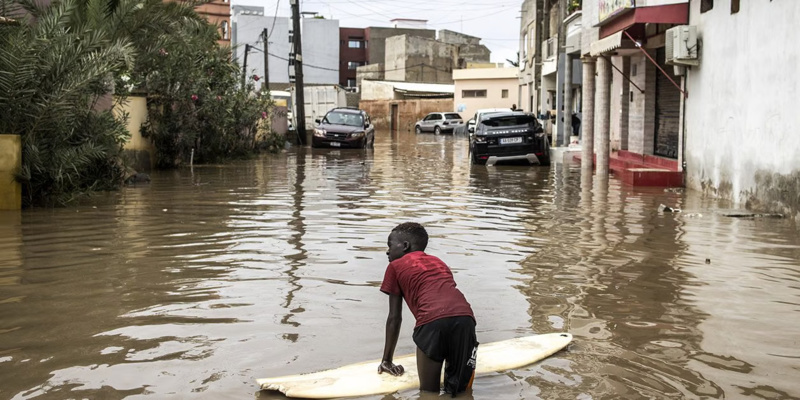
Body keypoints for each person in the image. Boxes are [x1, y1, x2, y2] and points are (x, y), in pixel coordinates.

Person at [378, 222, 478, 396]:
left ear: (405, 246)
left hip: (432, 322)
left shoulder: (394, 266)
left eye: (390, 245)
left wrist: (387, 360)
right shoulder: (439, 262)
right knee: (460, 392)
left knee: (428, 393)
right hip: (465, 319)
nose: (387, 251)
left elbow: (395, 317)